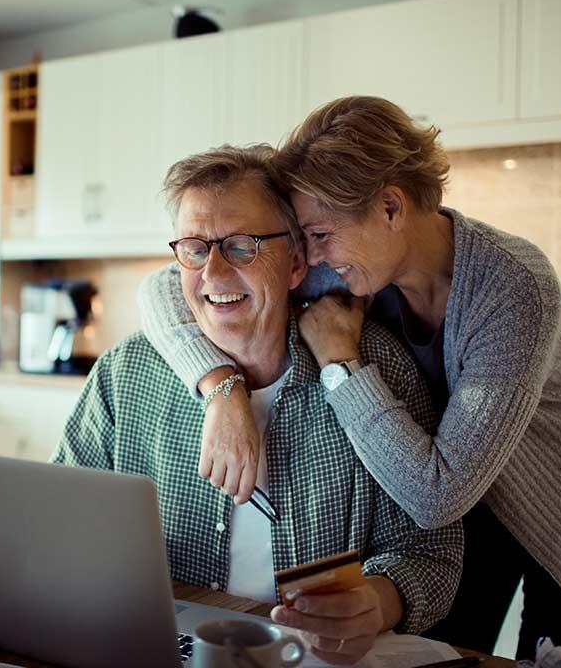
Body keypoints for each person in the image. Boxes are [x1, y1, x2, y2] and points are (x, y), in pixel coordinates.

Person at [136, 97, 561, 667]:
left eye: (319, 233)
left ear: (391, 208)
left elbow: (435, 494)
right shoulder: (354, 259)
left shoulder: (515, 286)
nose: (311, 256)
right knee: (443, 648)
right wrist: (222, 388)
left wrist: (341, 363)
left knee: (557, 660)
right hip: (472, 493)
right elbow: (167, 286)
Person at [53, 145, 462, 665]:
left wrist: (378, 602)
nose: (215, 273)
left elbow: (433, 554)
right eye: (196, 249)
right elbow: (59, 525)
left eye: (242, 246)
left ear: (295, 262)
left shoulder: (374, 366)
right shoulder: (125, 374)